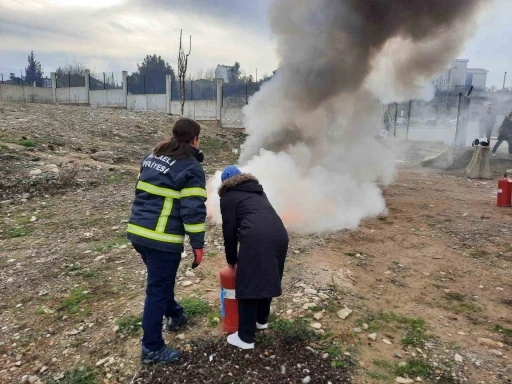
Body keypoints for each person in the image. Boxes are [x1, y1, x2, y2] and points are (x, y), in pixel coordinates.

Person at [127, 118, 207, 364]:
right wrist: (198, 244)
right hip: (161, 239)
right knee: (157, 289)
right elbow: (192, 211)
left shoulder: (151, 157)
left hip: (137, 232)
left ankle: (175, 314)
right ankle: (151, 347)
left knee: (159, 281)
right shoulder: (191, 168)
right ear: (195, 139)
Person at [218, 166, 289, 350]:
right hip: (280, 235)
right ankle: (261, 320)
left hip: (256, 238)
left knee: (249, 283)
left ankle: (245, 337)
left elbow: (229, 230)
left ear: (225, 184)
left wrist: (232, 259)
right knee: (267, 276)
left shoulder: (228, 196)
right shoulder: (258, 191)